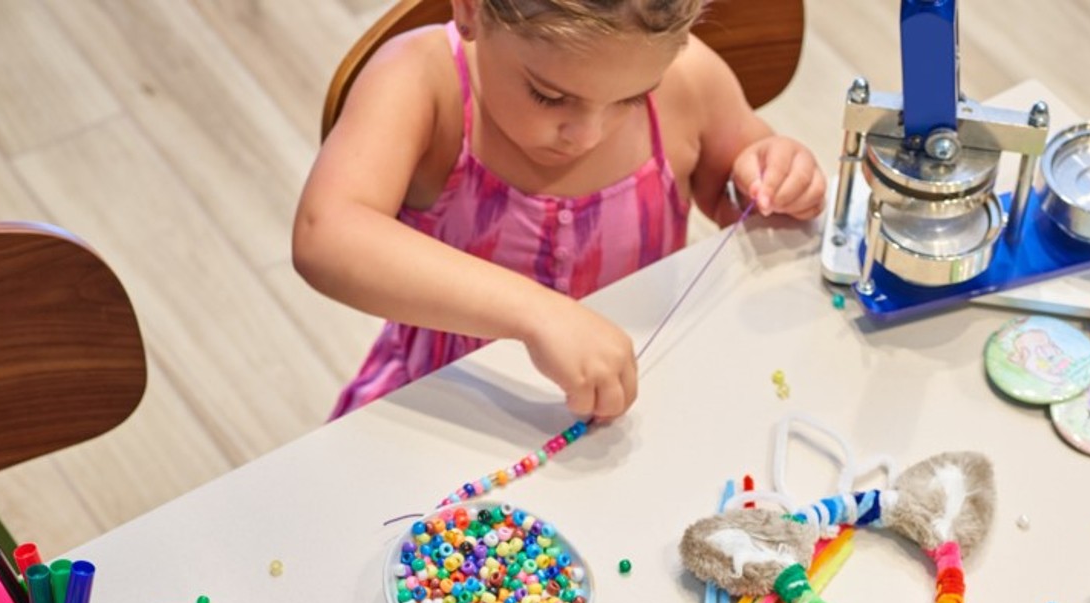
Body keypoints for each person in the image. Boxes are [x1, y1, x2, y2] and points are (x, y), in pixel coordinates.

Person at [293, 0, 826, 421]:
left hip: (634, 405)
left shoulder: (692, 81)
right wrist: (537, 314)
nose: (588, 134)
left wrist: (775, 173)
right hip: (453, 406)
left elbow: (736, 189)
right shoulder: (422, 82)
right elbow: (327, 234)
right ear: (472, 9)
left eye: (633, 98)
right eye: (549, 97)